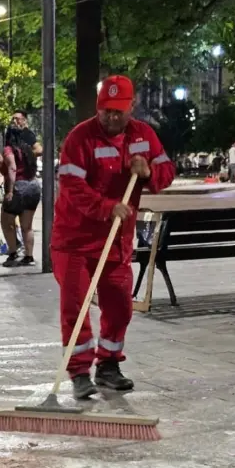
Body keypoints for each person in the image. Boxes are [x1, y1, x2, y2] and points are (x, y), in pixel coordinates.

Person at [51, 74, 175, 400]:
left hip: (117, 241)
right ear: (98, 107)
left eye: (118, 110)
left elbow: (167, 172)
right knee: (76, 308)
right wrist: (106, 208)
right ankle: (79, 372)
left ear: (132, 106)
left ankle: (108, 365)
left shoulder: (144, 136)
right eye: (106, 110)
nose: (112, 117)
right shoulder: (80, 139)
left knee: (120, 305)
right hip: (75, 241)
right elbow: (72, 187)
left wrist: (149, 172)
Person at [0, 126, 41, 267]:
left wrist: (10, 191)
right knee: (27, 226)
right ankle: (29, 257)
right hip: (33, 186)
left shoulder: (9, 149)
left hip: (18, 186)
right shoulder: (28, 150)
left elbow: (12, 167)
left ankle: (13, 253)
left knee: (6, 222)